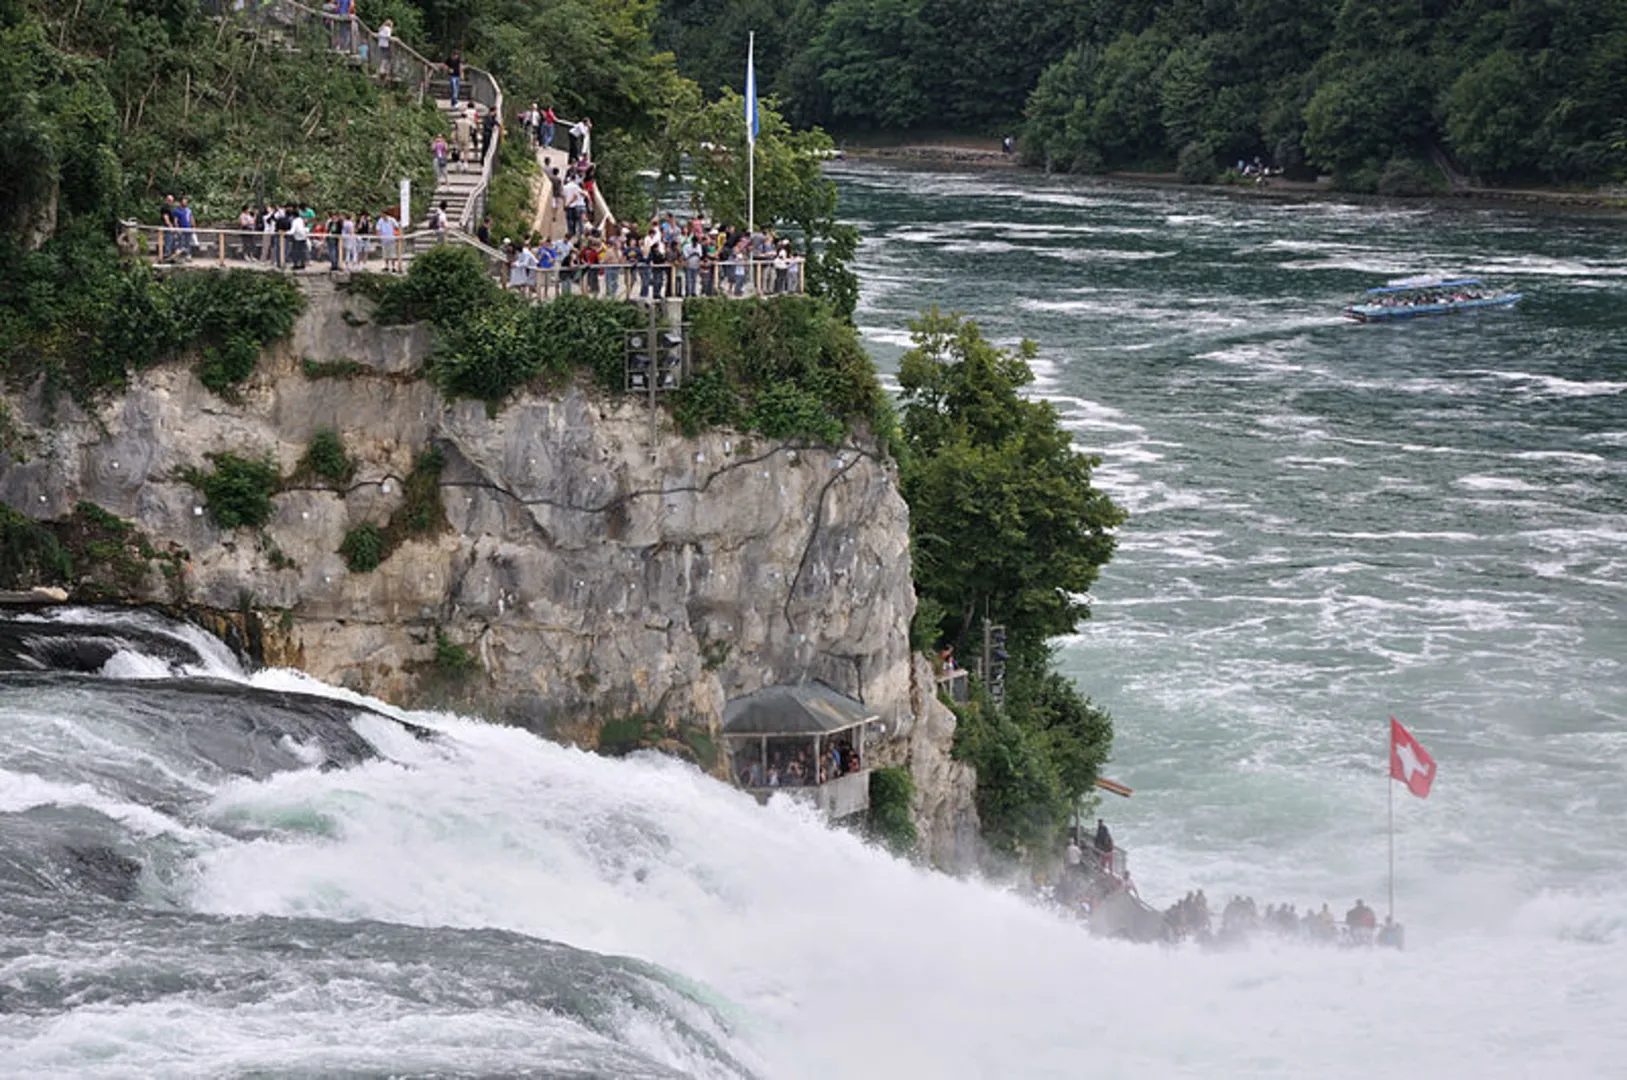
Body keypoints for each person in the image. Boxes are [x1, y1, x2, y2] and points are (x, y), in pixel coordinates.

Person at [377, 208, 401, 272]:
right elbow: (378, 229)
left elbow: (397, 227)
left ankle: (393, 267)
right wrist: (379, 236)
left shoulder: (392, 220)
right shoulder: (380, 220)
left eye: (382, 214)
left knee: (392, 254)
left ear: (385, 214)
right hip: (384, 239)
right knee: (385, 254)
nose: (381, 215)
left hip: (391, 239)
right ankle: (386, 266)